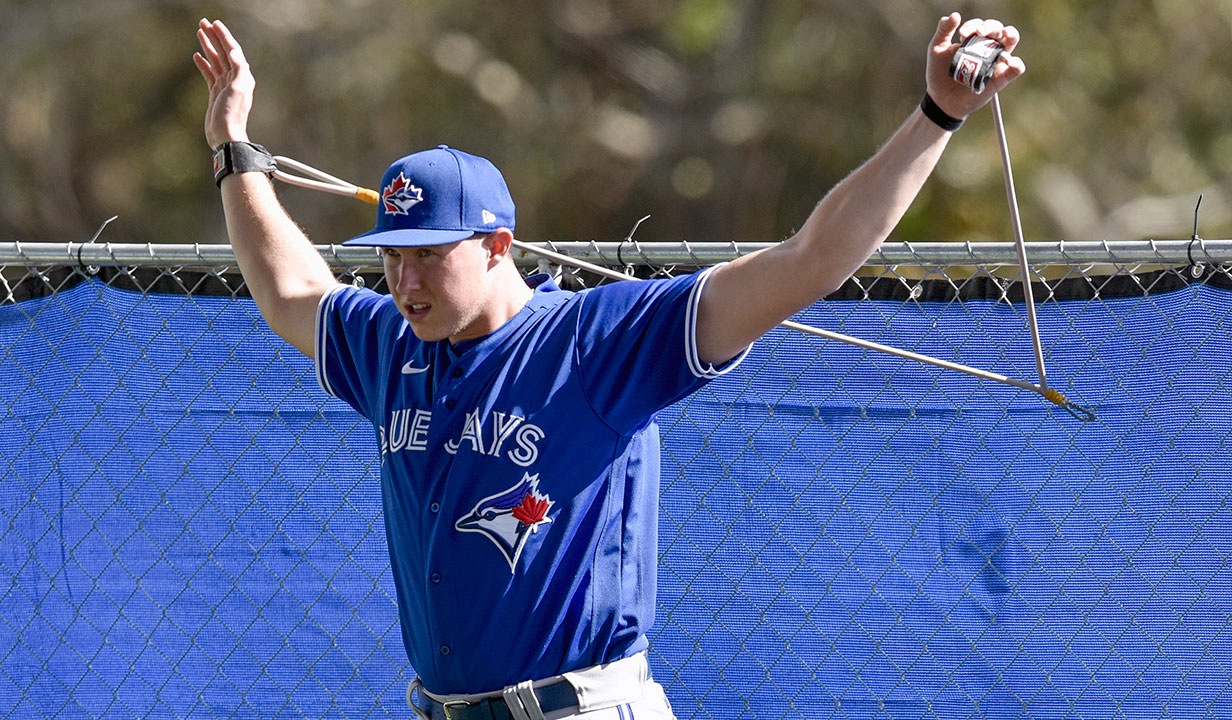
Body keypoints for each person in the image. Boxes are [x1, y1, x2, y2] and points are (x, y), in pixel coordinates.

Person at [194, 12, 1023, 719]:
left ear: (496, 246)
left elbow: (813, 259)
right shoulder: (391, 348)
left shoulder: (597, 342)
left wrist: (936, 116)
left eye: (429, 255)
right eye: (391, 258)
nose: (404, 280)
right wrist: (234, 150)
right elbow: (289, 288)